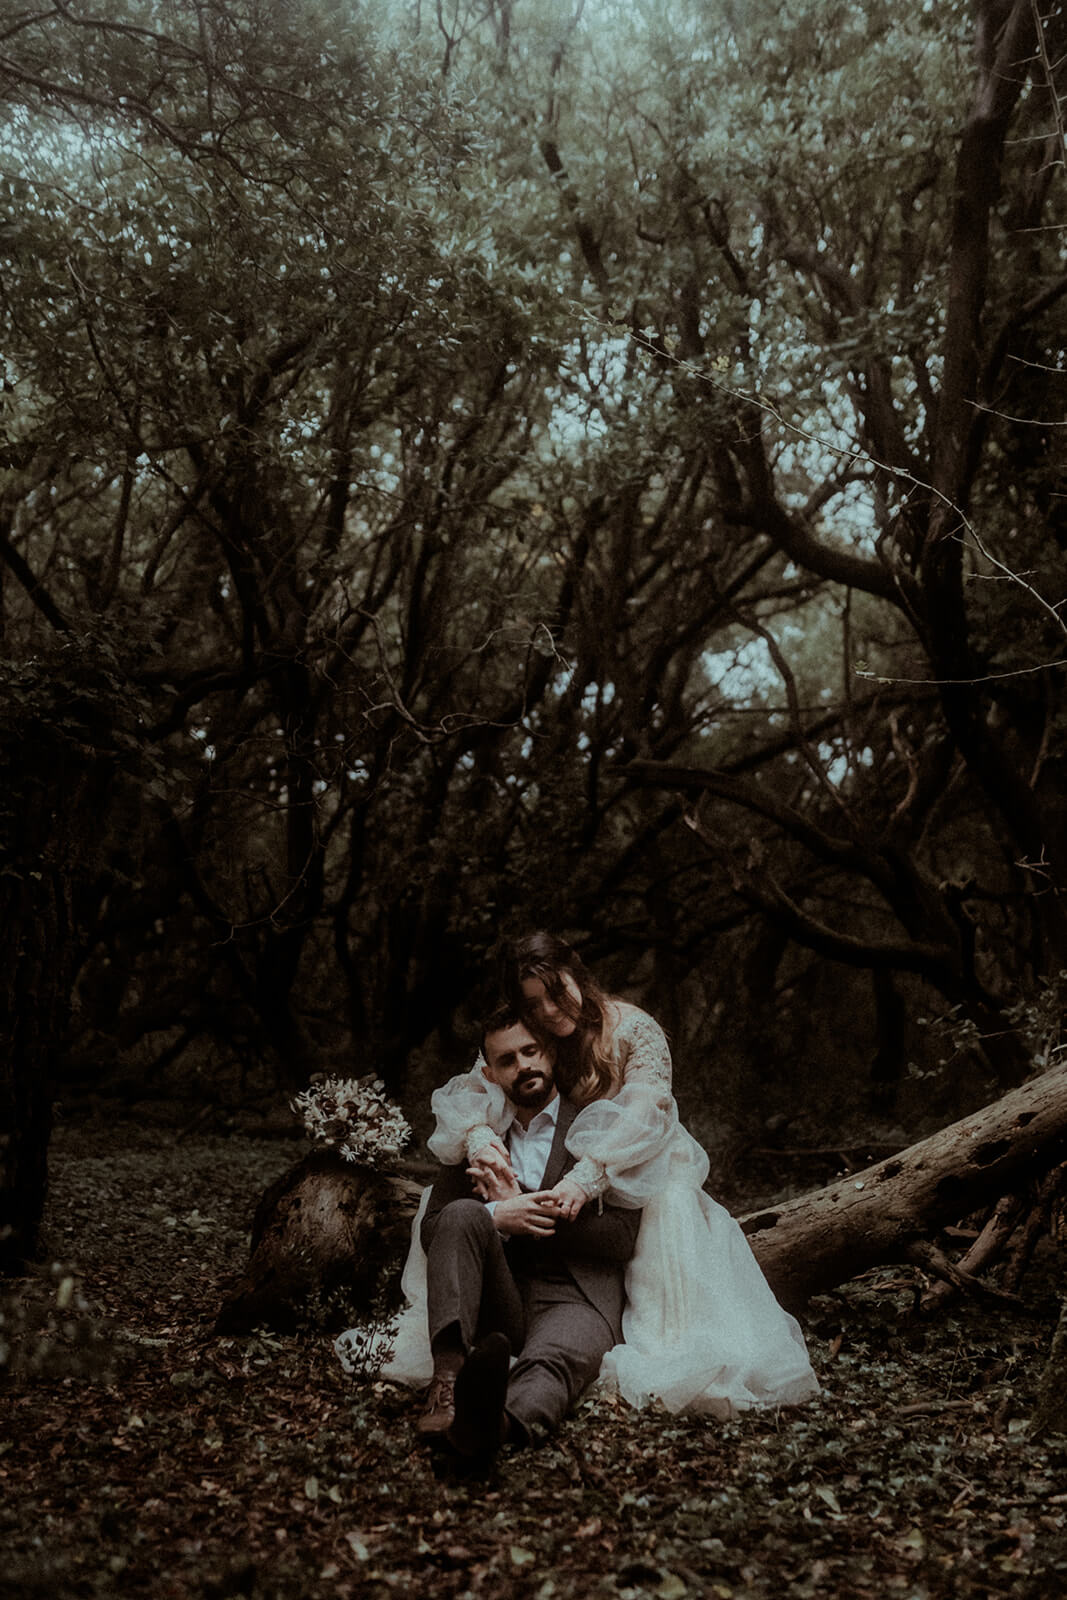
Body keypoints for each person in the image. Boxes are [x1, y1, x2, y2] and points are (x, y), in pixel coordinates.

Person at [424, 932, 820, 1418]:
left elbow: (644, 1120)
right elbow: (475, 1087)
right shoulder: (515, 1046)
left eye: (556, 991)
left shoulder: (632, 1030)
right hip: (518, 1258)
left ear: (576, 972)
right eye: (534, 1003)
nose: (548, 1010)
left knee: (586, 1339)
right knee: (465, 1215)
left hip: (631, 1170)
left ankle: (501, 1423)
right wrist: (484, 1149)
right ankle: (449, 1385)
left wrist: (581, 1181)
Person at [413, 1005, 641, 1458]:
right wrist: (497, 1213)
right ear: (491, 1073)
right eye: (508, 1060)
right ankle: (449, 1385)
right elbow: (433, 1228)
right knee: (462, 1213)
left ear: (551, 1053)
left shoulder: (600, 1124)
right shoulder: (477, 1133)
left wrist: (531, 1207)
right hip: (502, 1294)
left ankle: (492, 1428)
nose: (524, 1066)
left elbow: (620, 1237)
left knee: (552, 1360)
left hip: (576, 1296)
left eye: (531, 1051)